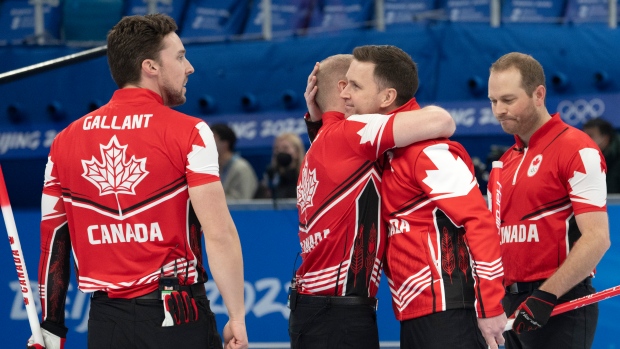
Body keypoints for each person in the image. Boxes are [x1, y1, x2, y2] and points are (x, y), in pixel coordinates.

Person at [28, 14, 248, 349]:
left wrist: (51, 326)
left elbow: (53, 244)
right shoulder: (190, 131)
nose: (189, 67)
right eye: (179, 56)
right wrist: (237, 316)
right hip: (177, 319)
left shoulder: (64, 141)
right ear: (151, 67)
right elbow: (219, 234)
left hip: (106, 325)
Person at [290, 50, 456, 349]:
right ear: (343, 89)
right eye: (354, 84)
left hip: (312, 308)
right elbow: (442, 120)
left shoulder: (318, 144)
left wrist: (316, 117)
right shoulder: (351, 133)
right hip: (338, 314)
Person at [346, 46, 509, 348]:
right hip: (417, 312)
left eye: (355, 86)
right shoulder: (388, 153)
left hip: (449, 311)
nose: (345, 95)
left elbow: (480, 223)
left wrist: (489, 307)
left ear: (386, 97)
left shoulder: (430, 151)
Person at [487, 52, 610, 349]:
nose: (499, 110)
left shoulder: (577, 148)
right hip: (511, 305)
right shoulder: (504, 162)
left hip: (558, 303)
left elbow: (597, 238)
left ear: (539, 94)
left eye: (508, 99)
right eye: (493, 101)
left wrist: (545, 296)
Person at [211, 123, 258, 200]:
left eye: (212, 139)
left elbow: (243, 200)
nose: (206, 144)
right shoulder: (213, 168)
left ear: (225, 143)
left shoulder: (241, 168)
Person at [255, 132, 305, 200]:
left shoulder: (305, 179)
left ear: (297, 152)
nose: (280, 152)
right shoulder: (270, 178)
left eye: (285, 148)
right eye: (277, 149)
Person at [583, 117, 620, 193]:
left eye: (590, 136)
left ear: (605, 138)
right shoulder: (585, 158)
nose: (585, 140)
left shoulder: (617, 157)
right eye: (584, 136)